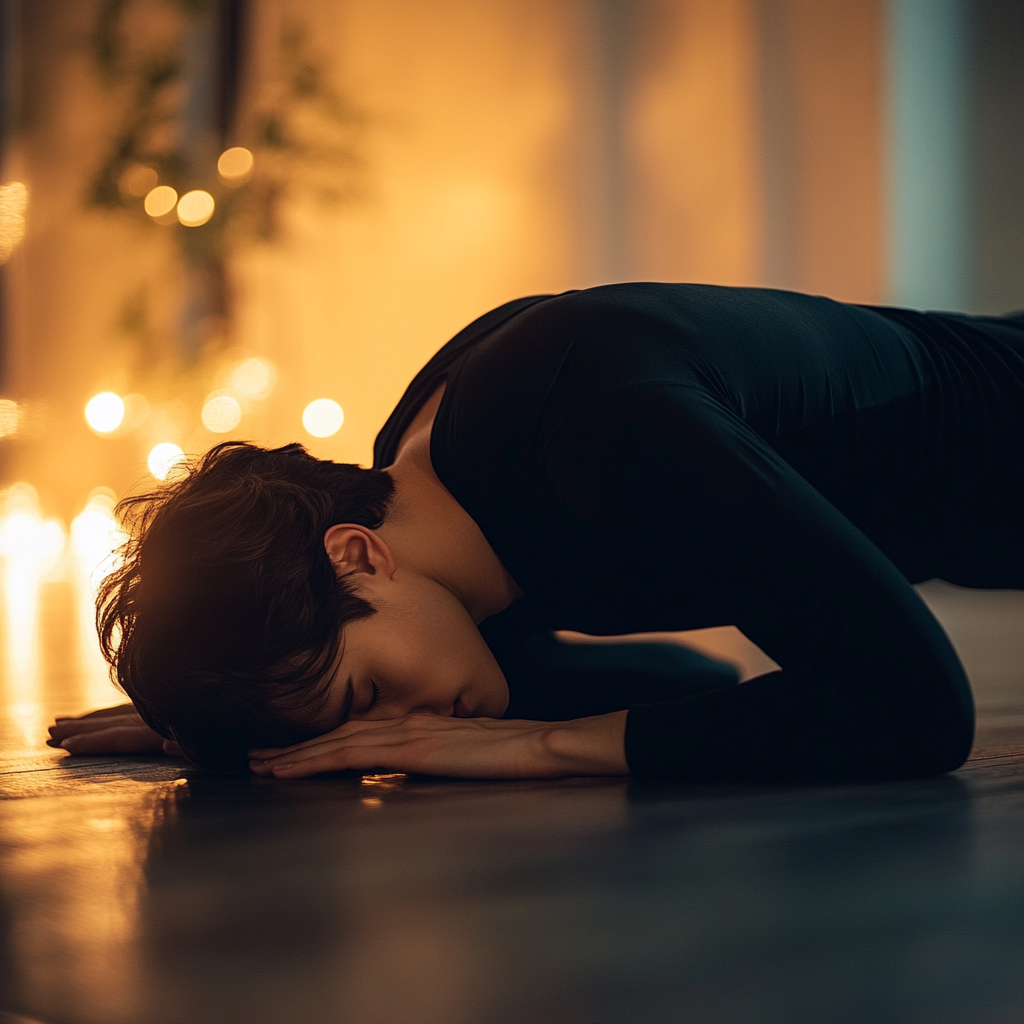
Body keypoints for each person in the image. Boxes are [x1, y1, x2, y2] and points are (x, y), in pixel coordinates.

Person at [48, 284, 1024, 783]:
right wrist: (231, 723)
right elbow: (687, 686)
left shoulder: (595, 429)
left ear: (355, 552)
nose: (395, 733)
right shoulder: (436, 485)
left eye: (371, 695)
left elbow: (917, 714)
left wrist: (539, 751)